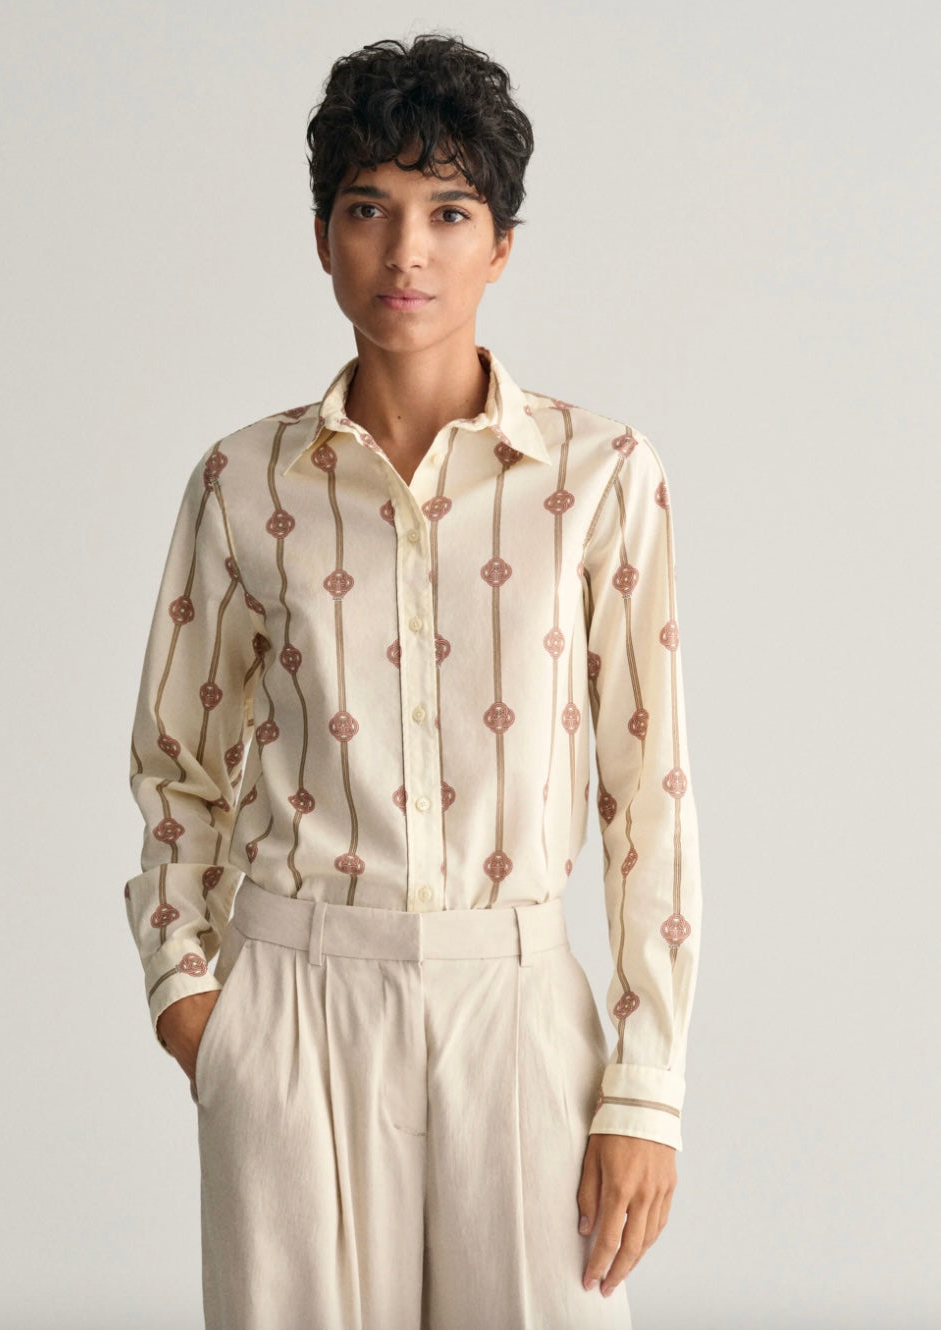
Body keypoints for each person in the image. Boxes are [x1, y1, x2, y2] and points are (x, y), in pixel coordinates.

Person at [123, 31, 702, 1330]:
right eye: (367, 209)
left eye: (448, 211)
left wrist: (645, 1086)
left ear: (500, 246)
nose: (406, 252)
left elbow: (647, 792)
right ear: (322, 239)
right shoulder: (244, 483)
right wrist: (192, 1000)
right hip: (293, 1005)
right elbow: (176, 763)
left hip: (517, 1006)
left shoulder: (600, 478)